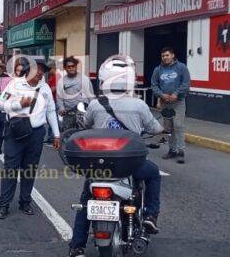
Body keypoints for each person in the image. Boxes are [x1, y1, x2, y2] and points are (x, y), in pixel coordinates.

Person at [67, 55, 163, 257]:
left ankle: (77, 246)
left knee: (85, 202)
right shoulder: (139, 105)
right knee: (153, 174)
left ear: (104, 79)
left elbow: (85, 126)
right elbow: (155, 128)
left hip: (99, 166)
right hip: (130, 165)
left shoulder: (95, 105)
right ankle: (150, 215)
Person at [0, 58, 60, 219]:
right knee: (11, 169)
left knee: (29, 170)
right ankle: (4, 204)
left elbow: (51, 111)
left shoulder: (44, 88)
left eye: (42, 70)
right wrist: (19, 105)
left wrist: (56, 134)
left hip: (36, 133)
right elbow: (0, 105)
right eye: (36, 69)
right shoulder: (15, 84)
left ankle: (25, 202)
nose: (39, 72)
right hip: (15, 132)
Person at [151, 46, 190, 164]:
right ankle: (172, 150)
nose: (165, 57)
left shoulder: (181, 67)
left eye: (167, 55)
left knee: (178, 125)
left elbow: (186, 83)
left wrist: (176, 94)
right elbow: (154, 84)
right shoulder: (158, 69)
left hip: (178, 102)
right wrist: (161, 95)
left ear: (172, 55)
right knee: (168, 128)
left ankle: (181, 151)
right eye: (163, 56)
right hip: (165, 102)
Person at [57, 56, 95, 130]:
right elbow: (59, 97)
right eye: (69, 67)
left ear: (76, 66)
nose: (71, 68)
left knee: (82, 135)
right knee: (68, 135)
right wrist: (61, 108)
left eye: (73, 66)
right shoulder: (61, 81)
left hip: (83, 113)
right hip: (68, 113)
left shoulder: (84, 79)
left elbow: (91, 97)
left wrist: (92, 111)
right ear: (65, 68)